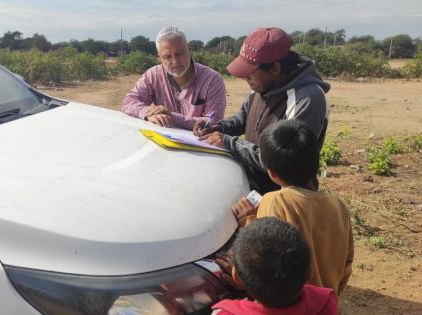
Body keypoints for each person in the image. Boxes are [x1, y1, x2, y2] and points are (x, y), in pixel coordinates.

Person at [194, 27, 330, 194]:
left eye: (250, 73)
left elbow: (283, 161)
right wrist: (219, 127)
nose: (246, 78)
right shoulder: (262, 86)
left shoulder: (307, 97)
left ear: (274, 69)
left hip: (286, 198)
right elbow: (243, 118)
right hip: (256, 187)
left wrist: (229, 143)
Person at [231, 120, 354, 296]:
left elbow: (263, 264)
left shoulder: (274, 202)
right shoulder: (339, 207)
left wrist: (247, 220)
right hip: (324, 302)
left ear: (271, 172)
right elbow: (347, 263)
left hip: (290, 305)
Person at [211, 217, 338, 315]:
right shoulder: (325, 303)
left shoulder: (223, 313)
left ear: (236, 277)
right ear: (310, 271)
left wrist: (249, 280)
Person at [121, 26, 227, 130]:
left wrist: (173, 117)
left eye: (179, 53)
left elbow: (213, 121)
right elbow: (129, 101)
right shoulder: (153, 75)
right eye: (167, 57)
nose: (175, 61)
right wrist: (148, 113)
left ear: (189, 49)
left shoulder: (212, 80)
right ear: (159, 57)